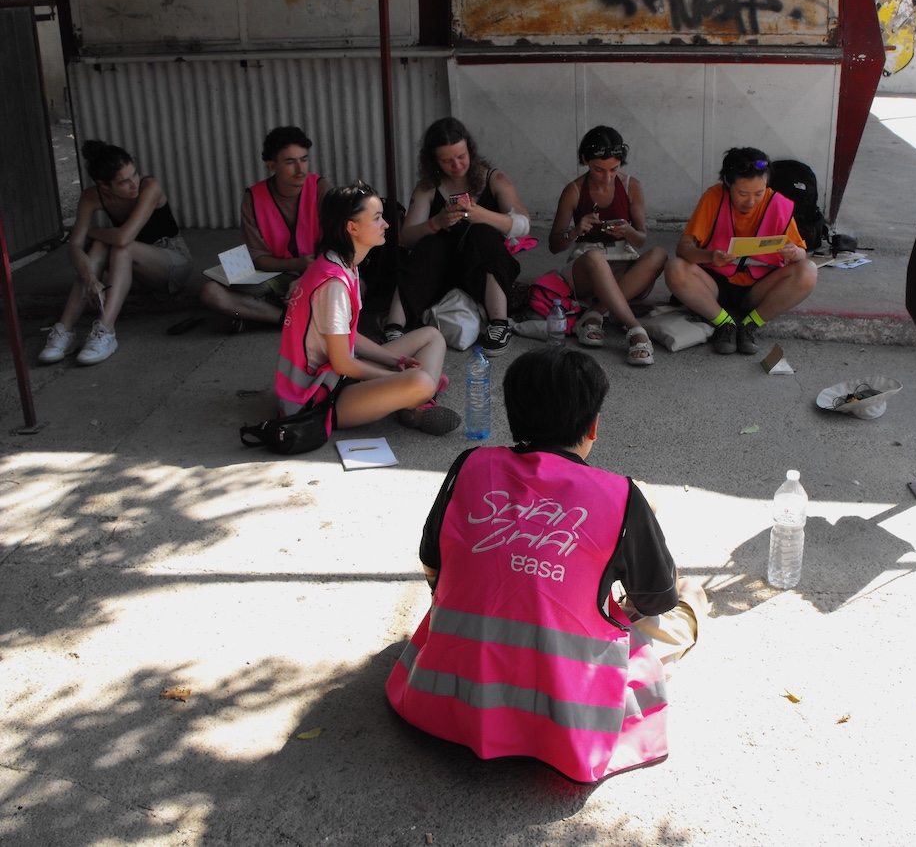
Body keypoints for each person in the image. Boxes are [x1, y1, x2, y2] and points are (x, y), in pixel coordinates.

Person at [386, 347, 707, 783]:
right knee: (685, 601)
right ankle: (696, 604)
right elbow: (654, 599)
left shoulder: (469, 465)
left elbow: (432, 561)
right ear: (593, 425)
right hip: (567, 725)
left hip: (443, 702)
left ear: (514, 418)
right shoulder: (621, 495)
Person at [276, 183, 460, 436]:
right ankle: (415, 402)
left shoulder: (340, 263)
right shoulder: (334, 284)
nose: (386, 224)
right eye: (377, 218)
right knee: (422, 381)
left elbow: (348, 337)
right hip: (317, 399)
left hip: (335, 376)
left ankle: (409, 399)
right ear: (352, 228)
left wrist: (399, 361)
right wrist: (390, 375)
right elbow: (343, 364)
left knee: (432, 336)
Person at [380, 117, 530, 357]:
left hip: (481, 274)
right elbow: (406, 239)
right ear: (434, 161)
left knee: (484, 235)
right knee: (429, 245)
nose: (457, 166)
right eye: (447, 161)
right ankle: (394, 326)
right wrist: (435, 223)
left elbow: (523, 225)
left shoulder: (492, 178)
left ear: (470, 150)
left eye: (461, 157)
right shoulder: (429, 187)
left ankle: (499, 323)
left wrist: (484, 215)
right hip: (440, 275)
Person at [38, 140, 192, 366]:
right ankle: (66, 330)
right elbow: (74, 247)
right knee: (101, 246)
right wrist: (91, 279)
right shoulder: (91, 197)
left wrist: (92, 232)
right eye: (123, 182)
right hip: (133, 270)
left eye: (134, 174)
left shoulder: (150, 187)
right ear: (104, 185)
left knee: (117, 244)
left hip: (171, 262)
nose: (133, 184)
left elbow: (122, 237)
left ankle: (106, 330)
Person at [665, 147, 818, 356]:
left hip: (758, 287)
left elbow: (801, 253)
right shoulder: (714, 197)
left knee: (808, 270)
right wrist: (710, 256)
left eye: (759, 193)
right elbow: (683, 248)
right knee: (675, 267)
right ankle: (724, 324)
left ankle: (750, 325)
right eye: (743, 193)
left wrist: (793, 252)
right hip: (716, 283)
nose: (751, 201)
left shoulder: (777, 203)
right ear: (728, 183)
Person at [549, 126, 666, 365]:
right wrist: (575, 231)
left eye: (614, 169)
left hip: (623, 261)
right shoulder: (573, 190)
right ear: (584, 160)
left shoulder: (632, 186)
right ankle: (635, 330)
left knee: (659, 254)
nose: (607, 177)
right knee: (594, 257)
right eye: (598, 170)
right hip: (587, 270)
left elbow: (641, 239)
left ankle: (595, 313)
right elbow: (554, 245)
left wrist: (629, 231)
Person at [199, 126, 333, 330]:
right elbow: (259, 258)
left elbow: (338, 248)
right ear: (272, 166)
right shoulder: (253, 198)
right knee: (209, 292)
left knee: (352, 289)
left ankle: (257, 313)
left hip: (319, 273)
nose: (300, 169)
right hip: (275, 274)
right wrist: (296, 265)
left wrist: (306, 277)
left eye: (304, 159)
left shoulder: (321, 189)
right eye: (290, 162)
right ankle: (287, 318)